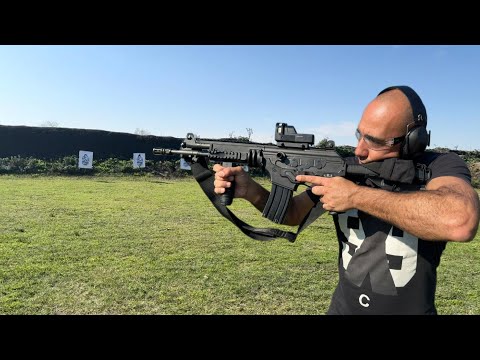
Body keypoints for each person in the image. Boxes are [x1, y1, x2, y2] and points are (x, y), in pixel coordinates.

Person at [213, 85, 480, 315]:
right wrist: (251, 191)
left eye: (374, 141)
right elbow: (293, 213)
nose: (359, 150)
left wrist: (355, 196)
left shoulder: (440, 166)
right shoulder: (347, 168)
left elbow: (459, 221)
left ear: (412, 141)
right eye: (359, 134)